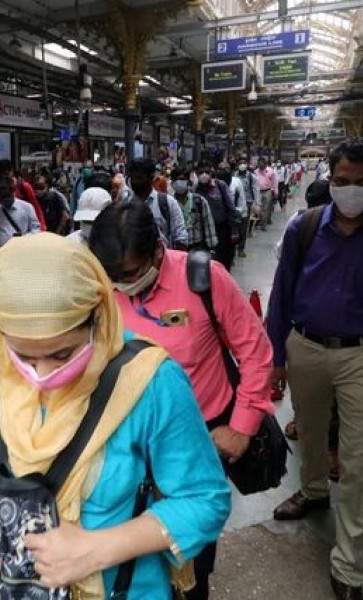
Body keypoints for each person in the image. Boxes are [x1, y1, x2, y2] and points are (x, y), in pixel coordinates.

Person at [0, 233, 230, 599]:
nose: (43, 375)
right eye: (25, 359)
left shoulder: (151, 381)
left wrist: (95, 550)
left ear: (97, 317)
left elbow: (205, 499)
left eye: (62, 355)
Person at [89, 202, 274, 600]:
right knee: (128, 550)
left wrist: (241, 427)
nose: (121, 284)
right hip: (124, 442)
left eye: (130, 274)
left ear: (157, 251)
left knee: (190, 555)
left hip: (199, 444)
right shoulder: (97, 287)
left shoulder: (203, 278)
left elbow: (256, 352)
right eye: (112, 276)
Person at [267, 137, 363, 600]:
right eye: (342, 181)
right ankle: (312, 492)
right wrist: (275, 358)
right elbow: (281, 295)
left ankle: (348, 566)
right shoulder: (305, 228)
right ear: (330, 180)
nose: (351, 190)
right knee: (309, 432)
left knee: (360, 461)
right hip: (306, 347)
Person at [0, 160, 46, 252]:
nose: (4, 177)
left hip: (25, 238)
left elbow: (36, 209)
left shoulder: (24, 187)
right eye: (1, 175)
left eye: (6, 174)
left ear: (12, 172)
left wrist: (42, 228)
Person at [126, 157, 188, 251]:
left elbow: (181, 238)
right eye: (133, 178)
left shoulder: (167, 203)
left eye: (139, 178)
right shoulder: (125, 203)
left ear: (151, 177)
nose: (135, 182)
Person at [194, 163, 238, 272]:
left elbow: (231, 208)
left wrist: (234, 230)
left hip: (222, 229)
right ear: (196, 174)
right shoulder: (195, 189)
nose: (204, 175)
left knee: (223, 260)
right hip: (204, 232)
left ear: (211, 173)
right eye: (200, 172)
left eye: (207, 172)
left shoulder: (220, 186)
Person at [0, 178, 41, 253]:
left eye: (8, 196)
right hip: (2, 252)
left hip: (22, 251)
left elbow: (36, 229)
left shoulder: (27, 207)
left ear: (13, 192)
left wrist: (24, 237)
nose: (6, 199)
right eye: (3, 197)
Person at [173, 178, 217, 253]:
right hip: (178, 246)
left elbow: (208, 223)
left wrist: (211, 247)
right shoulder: (170, 202)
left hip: (197, 244)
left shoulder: (199, 200)